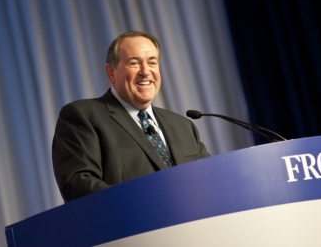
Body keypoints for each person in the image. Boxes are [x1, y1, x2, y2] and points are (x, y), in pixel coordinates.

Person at [52, 31, 210, 202]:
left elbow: (211, 178)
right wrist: (146, 203)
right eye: (134, 63)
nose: (145, 71)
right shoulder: (83, 116)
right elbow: (77, 185)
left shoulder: (183, 126)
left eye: (152, 62)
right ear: (111, 73)